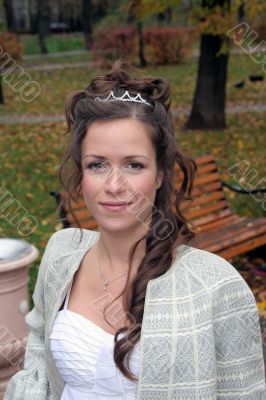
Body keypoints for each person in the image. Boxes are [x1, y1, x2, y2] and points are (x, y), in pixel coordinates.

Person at [4, 61, 265, 400]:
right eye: (97, 164)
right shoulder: (61, 253)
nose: (114, 185)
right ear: (81, 173)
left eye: (133, 165)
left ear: (160, 175)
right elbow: (38, 358)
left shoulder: (215, 286)